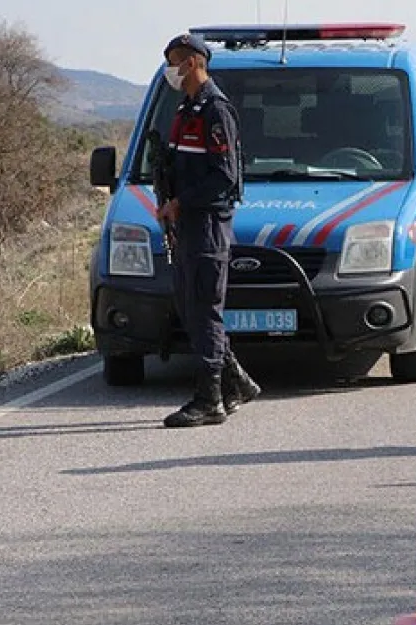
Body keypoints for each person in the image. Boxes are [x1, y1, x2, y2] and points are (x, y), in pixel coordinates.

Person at [158, 32, 260, 428]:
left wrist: (180, 203)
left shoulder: (216, 110)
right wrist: (165, 202)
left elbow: (224, 177)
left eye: (176, 61)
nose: (171, 69)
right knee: (189, 305)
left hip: (207, 224)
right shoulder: (186, 108)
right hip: (186, 223)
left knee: (204, 309)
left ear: (195, 63)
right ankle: (237, 383)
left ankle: (210, 398)